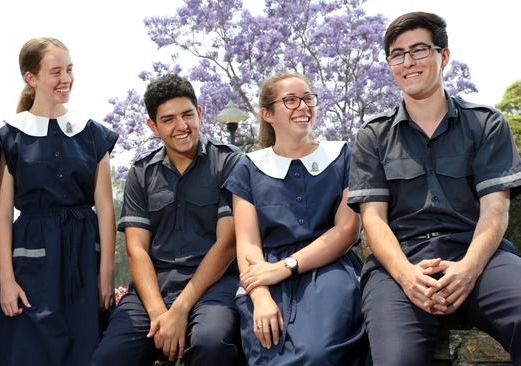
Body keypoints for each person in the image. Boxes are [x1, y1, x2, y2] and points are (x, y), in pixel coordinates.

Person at [348, 11, 521, 365]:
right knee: (395, 359)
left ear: (443, 56)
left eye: (419, 50)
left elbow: (495, 209)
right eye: (397, 54)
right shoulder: (372, 136)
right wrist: (406, 275)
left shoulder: (485, 124)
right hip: (401, 264)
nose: (407, 62)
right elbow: (373, 221)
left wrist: (469, 268)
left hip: (480, 256)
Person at [92, 74, 243, 366]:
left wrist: (181, 309)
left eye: (187, 115)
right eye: (169, 119)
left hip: (215, 286)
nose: (181, 126)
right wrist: (160, 313)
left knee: (211, 345)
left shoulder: (230, 162)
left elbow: (228, 243)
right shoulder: (141, 172)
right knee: (109, 358)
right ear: (153, 126)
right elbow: (136, 249)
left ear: (199, 113)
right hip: (154, 288)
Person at [223, 72, 367, 365]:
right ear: (267, 114)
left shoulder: (341, 156)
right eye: (291, 100)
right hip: (264, 275)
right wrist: (260, 295)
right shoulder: (248, 168)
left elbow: (347, 230)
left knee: (320, 353)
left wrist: (286, 267)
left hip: (330, 268)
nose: (303, 107)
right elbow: (248, 243)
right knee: (270, 352)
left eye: (308, 98)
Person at [0, 37, 118, 366]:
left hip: (83, 253)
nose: (67, 79)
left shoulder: (92, 133)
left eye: (70, 70)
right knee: (29, 350)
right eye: (56, 72)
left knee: (87, 349)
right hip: (30, 258)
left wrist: (106, 270)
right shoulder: (9, 136)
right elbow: (3, 215)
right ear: (30, 78)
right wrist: (6, 280)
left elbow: (105, 207)